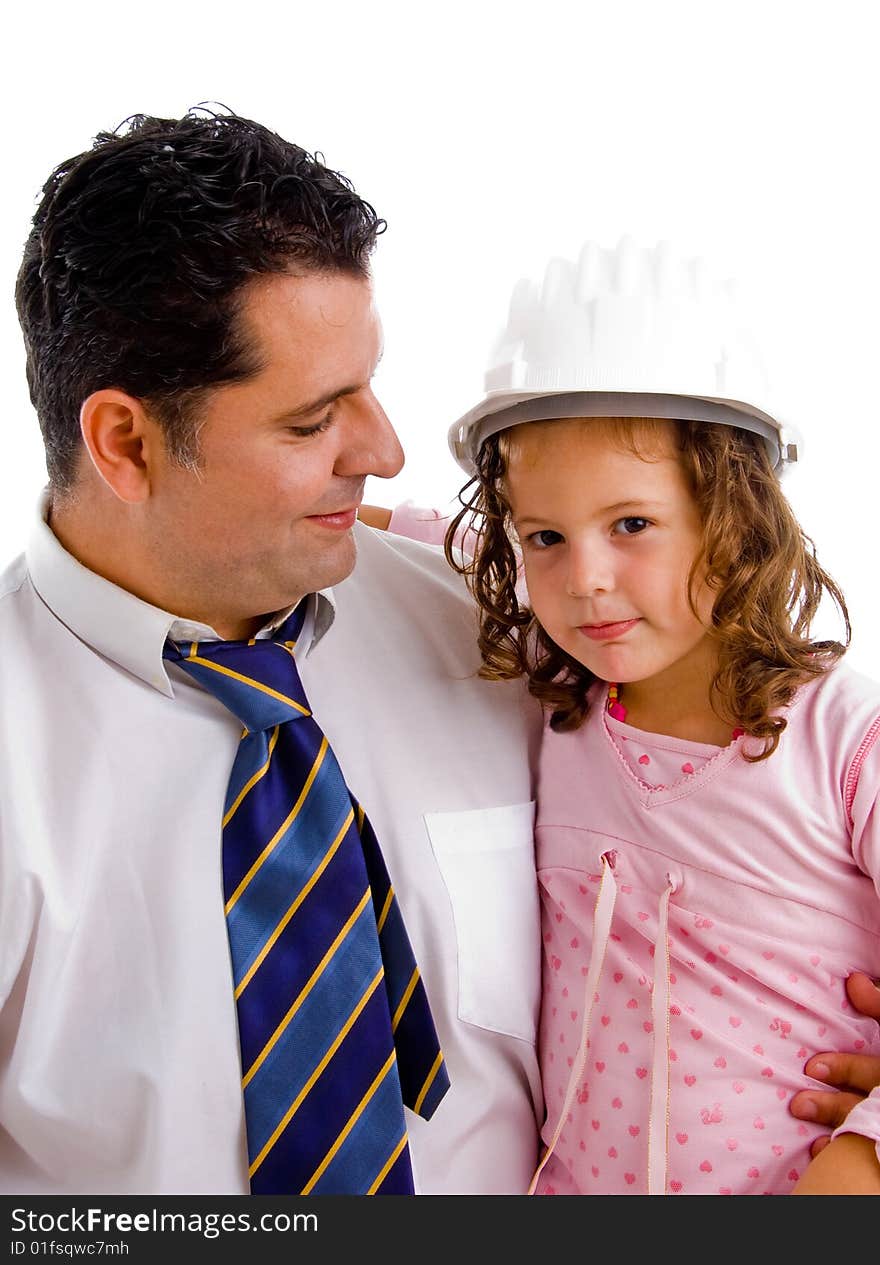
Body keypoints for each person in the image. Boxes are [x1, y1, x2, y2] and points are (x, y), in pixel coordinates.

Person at [0, 109, 544, 1195]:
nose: (384, 451)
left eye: (369, 384)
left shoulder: (509, 635)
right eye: (311, 422)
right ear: (126, 442)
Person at [369, 238, 880, 1193]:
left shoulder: (844, 742)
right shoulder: (560, 693)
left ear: (736, 515)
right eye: (547, 537)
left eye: (632, 525)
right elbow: (443, 540)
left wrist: (860, 1159)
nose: (586, 579)